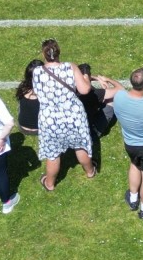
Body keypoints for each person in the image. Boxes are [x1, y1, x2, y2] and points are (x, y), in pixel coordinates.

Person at [31, 39, 96, 189]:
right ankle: (90, 172)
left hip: (50, 119)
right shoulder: (70, 67)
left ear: (44, 54)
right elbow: (85, 90)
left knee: (53, 155)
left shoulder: (37, 72)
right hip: (73, 115)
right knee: (81, 147)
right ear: (58, 52)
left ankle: (49, 183)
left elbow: (36, 91)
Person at [101, 68, 143, 218]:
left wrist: (108, 79)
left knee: (135, 165)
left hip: (130, 144)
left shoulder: (120, 97)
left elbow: (119, 88)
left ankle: (133, 198)